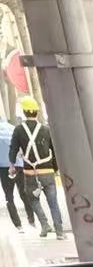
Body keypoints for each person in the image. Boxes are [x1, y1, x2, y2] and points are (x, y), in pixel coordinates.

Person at [8, 95, 64, 238]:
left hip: (30, 173)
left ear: (24, 112)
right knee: (53, 202)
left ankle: (44, 225)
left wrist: (12, 166)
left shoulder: (19, 130)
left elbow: (13, 149)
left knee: (32, 199)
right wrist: (55, 169)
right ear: (37, 112)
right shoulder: (46, 129)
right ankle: (59, 231)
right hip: (47, 171)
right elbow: (54, 151)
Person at [0, 111, 36, 232]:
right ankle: (32, 220)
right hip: (19, 164)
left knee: (9, 197)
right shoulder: (12, 128)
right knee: (24, 193)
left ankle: (18, 225)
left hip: (4, 167)